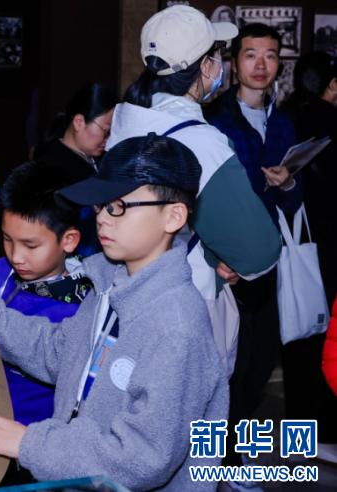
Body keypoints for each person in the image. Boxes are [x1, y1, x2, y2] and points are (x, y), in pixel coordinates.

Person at [0, 134, 228, 490]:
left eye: (118, 206)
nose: (102, 218)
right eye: (101, 205)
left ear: (173, 216)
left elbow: (141, 458)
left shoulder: (176, 327)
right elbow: (62, 352)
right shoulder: (109, 285)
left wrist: (30, 443)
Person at [115, 5, 281, 375]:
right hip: (186, 304)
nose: (221, 64)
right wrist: (222, 253)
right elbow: (259, 252)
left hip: (129, 291)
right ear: (206, 67)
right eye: (218, 55)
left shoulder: (125, 120)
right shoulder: (202, 142)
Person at [203, 23, 307, 473]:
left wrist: (288, 184)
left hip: (268, 260)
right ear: (233, 63)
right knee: (223, 366)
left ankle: (233, 454)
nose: (261, 65)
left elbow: (295, 203)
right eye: (250, 55)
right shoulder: (214, 120)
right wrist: (213, 256)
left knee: (260, 363)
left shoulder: (284, 124)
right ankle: (216, 462)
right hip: (224, 263)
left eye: (270, 56)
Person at [0, 162, 91, 429]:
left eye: (30, 245)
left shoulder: (81, 310)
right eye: (7, 239)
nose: (16, 256)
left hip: (26, 431)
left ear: (69, 240)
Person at [281, 51, 337, 466]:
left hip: (292, 245)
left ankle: (298, 436)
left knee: (296, 342)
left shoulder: (284, 117)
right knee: (326, 341)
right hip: (328, 245)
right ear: (332, 86)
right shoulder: (330, 121)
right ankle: (323, 433)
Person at [34, 83, 117, 257]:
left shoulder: (96, 157)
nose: (108, 139)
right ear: (79, 122)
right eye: (106, 131)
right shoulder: (51, 166)